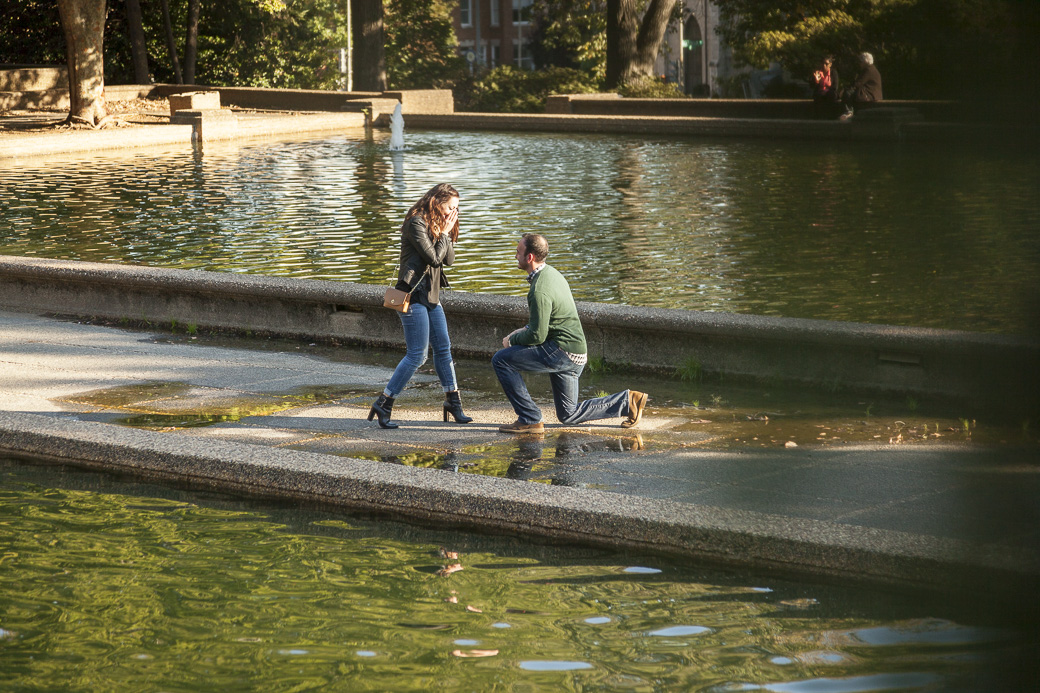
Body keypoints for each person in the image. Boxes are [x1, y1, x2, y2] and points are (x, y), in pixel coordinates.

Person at [491, 233, 648, 434]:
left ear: (529, 257)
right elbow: (546, 323)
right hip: (576, 352)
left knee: (501, 360)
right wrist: (525, 329)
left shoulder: (539, 290)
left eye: (518, 252)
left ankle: (529, 418)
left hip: (561, 352)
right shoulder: (551, 274)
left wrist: (512, 339)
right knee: (568, 414)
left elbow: (537, 336)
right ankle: (628, 401)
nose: (515, 256)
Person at [368, 183, 472, 429]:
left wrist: (447, 231)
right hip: (412, 296)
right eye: (450, 207)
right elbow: (433, 258)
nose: (452, 213)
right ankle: (384, 402)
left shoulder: (439, 225)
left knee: (444, 349)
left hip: (431, 296)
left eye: (456, 209)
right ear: (437, 201)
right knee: (418, 355)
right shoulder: (416, 223)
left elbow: (449, 259)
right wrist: (444, 234)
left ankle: (453, 403)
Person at [840, 52, 883, 121]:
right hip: (872, 93)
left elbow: (858, 83)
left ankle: (849, 111)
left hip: (869, 94)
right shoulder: (872, 69)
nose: (859, 64)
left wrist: (845, 89)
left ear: (865, 62)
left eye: (860, 62)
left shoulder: (868, 70)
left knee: (848, 93)